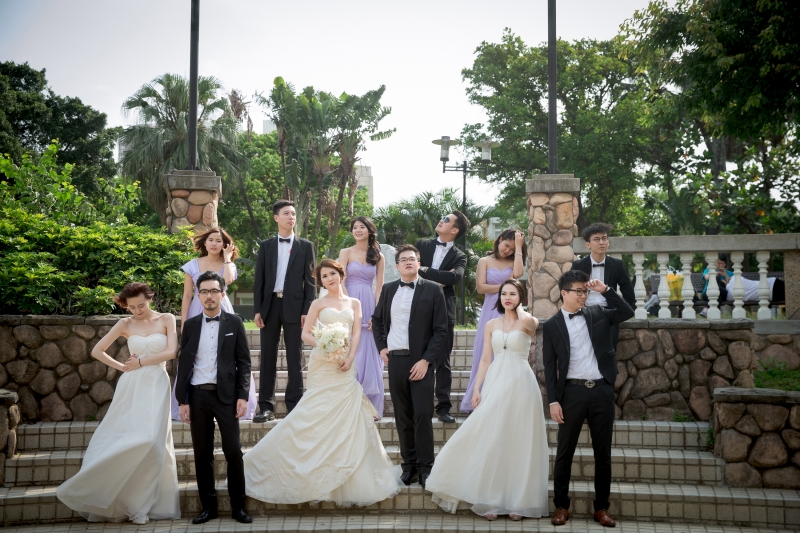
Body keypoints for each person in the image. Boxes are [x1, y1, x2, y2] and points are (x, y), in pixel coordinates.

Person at [244, 259, 403, 506]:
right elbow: (305, 333)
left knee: (348, 415)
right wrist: (326, 344)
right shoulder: (317, 304)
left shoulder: (355, 303)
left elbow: (357, 332)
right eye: (324, 277)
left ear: (341, 275)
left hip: (346, 365)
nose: (329, 279)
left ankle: (346, 474)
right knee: (314, 413)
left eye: (332, 274)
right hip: (323, 363)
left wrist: (350, 356)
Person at [56, 283, 180, 525]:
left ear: (149, 298)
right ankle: (118, 496)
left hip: (157, 382)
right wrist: (123, 367)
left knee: (152, 443)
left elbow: (171, 352)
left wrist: (140, 362)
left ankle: (140, 505)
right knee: (130, 437)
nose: (137, 310)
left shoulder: (166, 319)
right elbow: (97, 351)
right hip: (132, 385)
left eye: (141, 305)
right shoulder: (125, 324)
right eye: (132, 307)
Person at [427, 279, 547, 520]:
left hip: (522, 383)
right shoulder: (491, 324)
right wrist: (476, 389)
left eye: (513, 294)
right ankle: (491, 499)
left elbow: (531, 324)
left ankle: (519, 502)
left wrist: (520, 308)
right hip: (496, 380)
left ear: (521, 297)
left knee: (519, 439)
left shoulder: (528, 321)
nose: (507, 298)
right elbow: (484, 359)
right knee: (493, 435)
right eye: (504, 294)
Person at [543, 270, 634, 527]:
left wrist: (605, 290)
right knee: (565, 452)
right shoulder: (551, 325)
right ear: (564, 293)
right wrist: (553, 401)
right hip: (571, 393)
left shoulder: (598, 313)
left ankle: (601, 508)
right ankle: (561, 506)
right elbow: (549, 367)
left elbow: (627, 312)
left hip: (601, 391)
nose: (584, 295)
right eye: (579, 291)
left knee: (603, 453)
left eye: (585, 291)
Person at [176, 272, 252, 524]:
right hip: (198, 396)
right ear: (198, 296)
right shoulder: (190, 325)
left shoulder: (235, 323)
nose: (209, 296)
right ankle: (208, 507)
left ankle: (238, 507)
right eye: (205, 292)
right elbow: (184, 364)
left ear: (222, 294)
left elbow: (244, 362)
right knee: (202, 453)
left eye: (214, 291)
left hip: (226, 396)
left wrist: (243, 396)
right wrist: (183, 400)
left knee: (234, 451)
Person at [372, 245, 448, 488]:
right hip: (396, 360)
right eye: (403, 259)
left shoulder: (433, 289)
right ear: (397, 266)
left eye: (412, 259)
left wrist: (426, 360)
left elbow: (441, 330)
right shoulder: (388, 289)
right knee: (403, 416)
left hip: (421, 361)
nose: (407, 262)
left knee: (423, 414)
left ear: (418, 263)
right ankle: (410, 467)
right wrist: (382, 347)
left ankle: (426, 468)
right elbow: (377, 321)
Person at [171, 227, 256, 420]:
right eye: (211, 240)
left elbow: (227, 280)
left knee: (229, 352)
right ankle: (187, 403)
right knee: (193, 354)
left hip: (222, 309)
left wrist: (227, 258)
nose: (214, 244)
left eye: (219, 240)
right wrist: (184, 321)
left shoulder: (228, 264)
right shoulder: (192, 265)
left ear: (225, 245)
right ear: (204, 242)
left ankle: (238, 402)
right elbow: (187, 295)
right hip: (197, 310)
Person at [253, 199, 316, 422]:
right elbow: (259, 279)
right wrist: (258, 310)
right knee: (267, 357)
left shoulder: (306, 246)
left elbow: (311, 281)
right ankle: (266, 407)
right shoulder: (266, 246)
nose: (291, 217)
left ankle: (295, 405)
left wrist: (307, 310)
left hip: (295, 307)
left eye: (293, 214)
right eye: (286, 213)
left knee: (295, 358)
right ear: (276, 218)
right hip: (270, 306)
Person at [461, 229, 525, 414]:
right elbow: (481, 288)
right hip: (491, 310)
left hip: (510, 311)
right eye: (506, 245)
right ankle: (480, 397)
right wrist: (505, 287)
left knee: (506, 352)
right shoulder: (484, 261)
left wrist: (518, 248)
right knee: (487, 352)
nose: (507, 250)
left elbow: (518, 273)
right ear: (500, 240)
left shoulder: (514, 260)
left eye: (512, 249)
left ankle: (502, 399)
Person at [415, 211, 469, 423]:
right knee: (419, 358)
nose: (441, 220)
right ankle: (421, 406)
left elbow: (455, 277)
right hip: (418, 308)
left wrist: (425, 269)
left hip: (444, 312)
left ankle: (443, 407)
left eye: (446, 220)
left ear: (454, 230)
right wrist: (439, 278)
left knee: (443, 362)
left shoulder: (460, 255)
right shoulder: (422, 245)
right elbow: (411, 270)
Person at [338, 216, 386, 419]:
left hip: (369, 304)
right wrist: (348, 306)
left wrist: (377, 313)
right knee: (352, 349)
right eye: (355, 227)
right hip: (348, 301)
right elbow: (340, 280)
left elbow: (379, 287)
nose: (357, 230)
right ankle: (351, 403)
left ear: (369, 230)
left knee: (369, 350)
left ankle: (370, 406)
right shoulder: (345, 252)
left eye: (362, 227)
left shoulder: (378, 257)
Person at [572, 223, 635, 348]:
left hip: (608, 315)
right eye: (596, 239)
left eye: (604, 238)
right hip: (584, 314)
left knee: (608, 354)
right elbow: (567, 292)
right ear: (588, 244)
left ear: (608, 242)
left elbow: (629, 295)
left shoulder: (617, 265)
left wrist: (617, 315)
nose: (601, 242)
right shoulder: (578, 265)